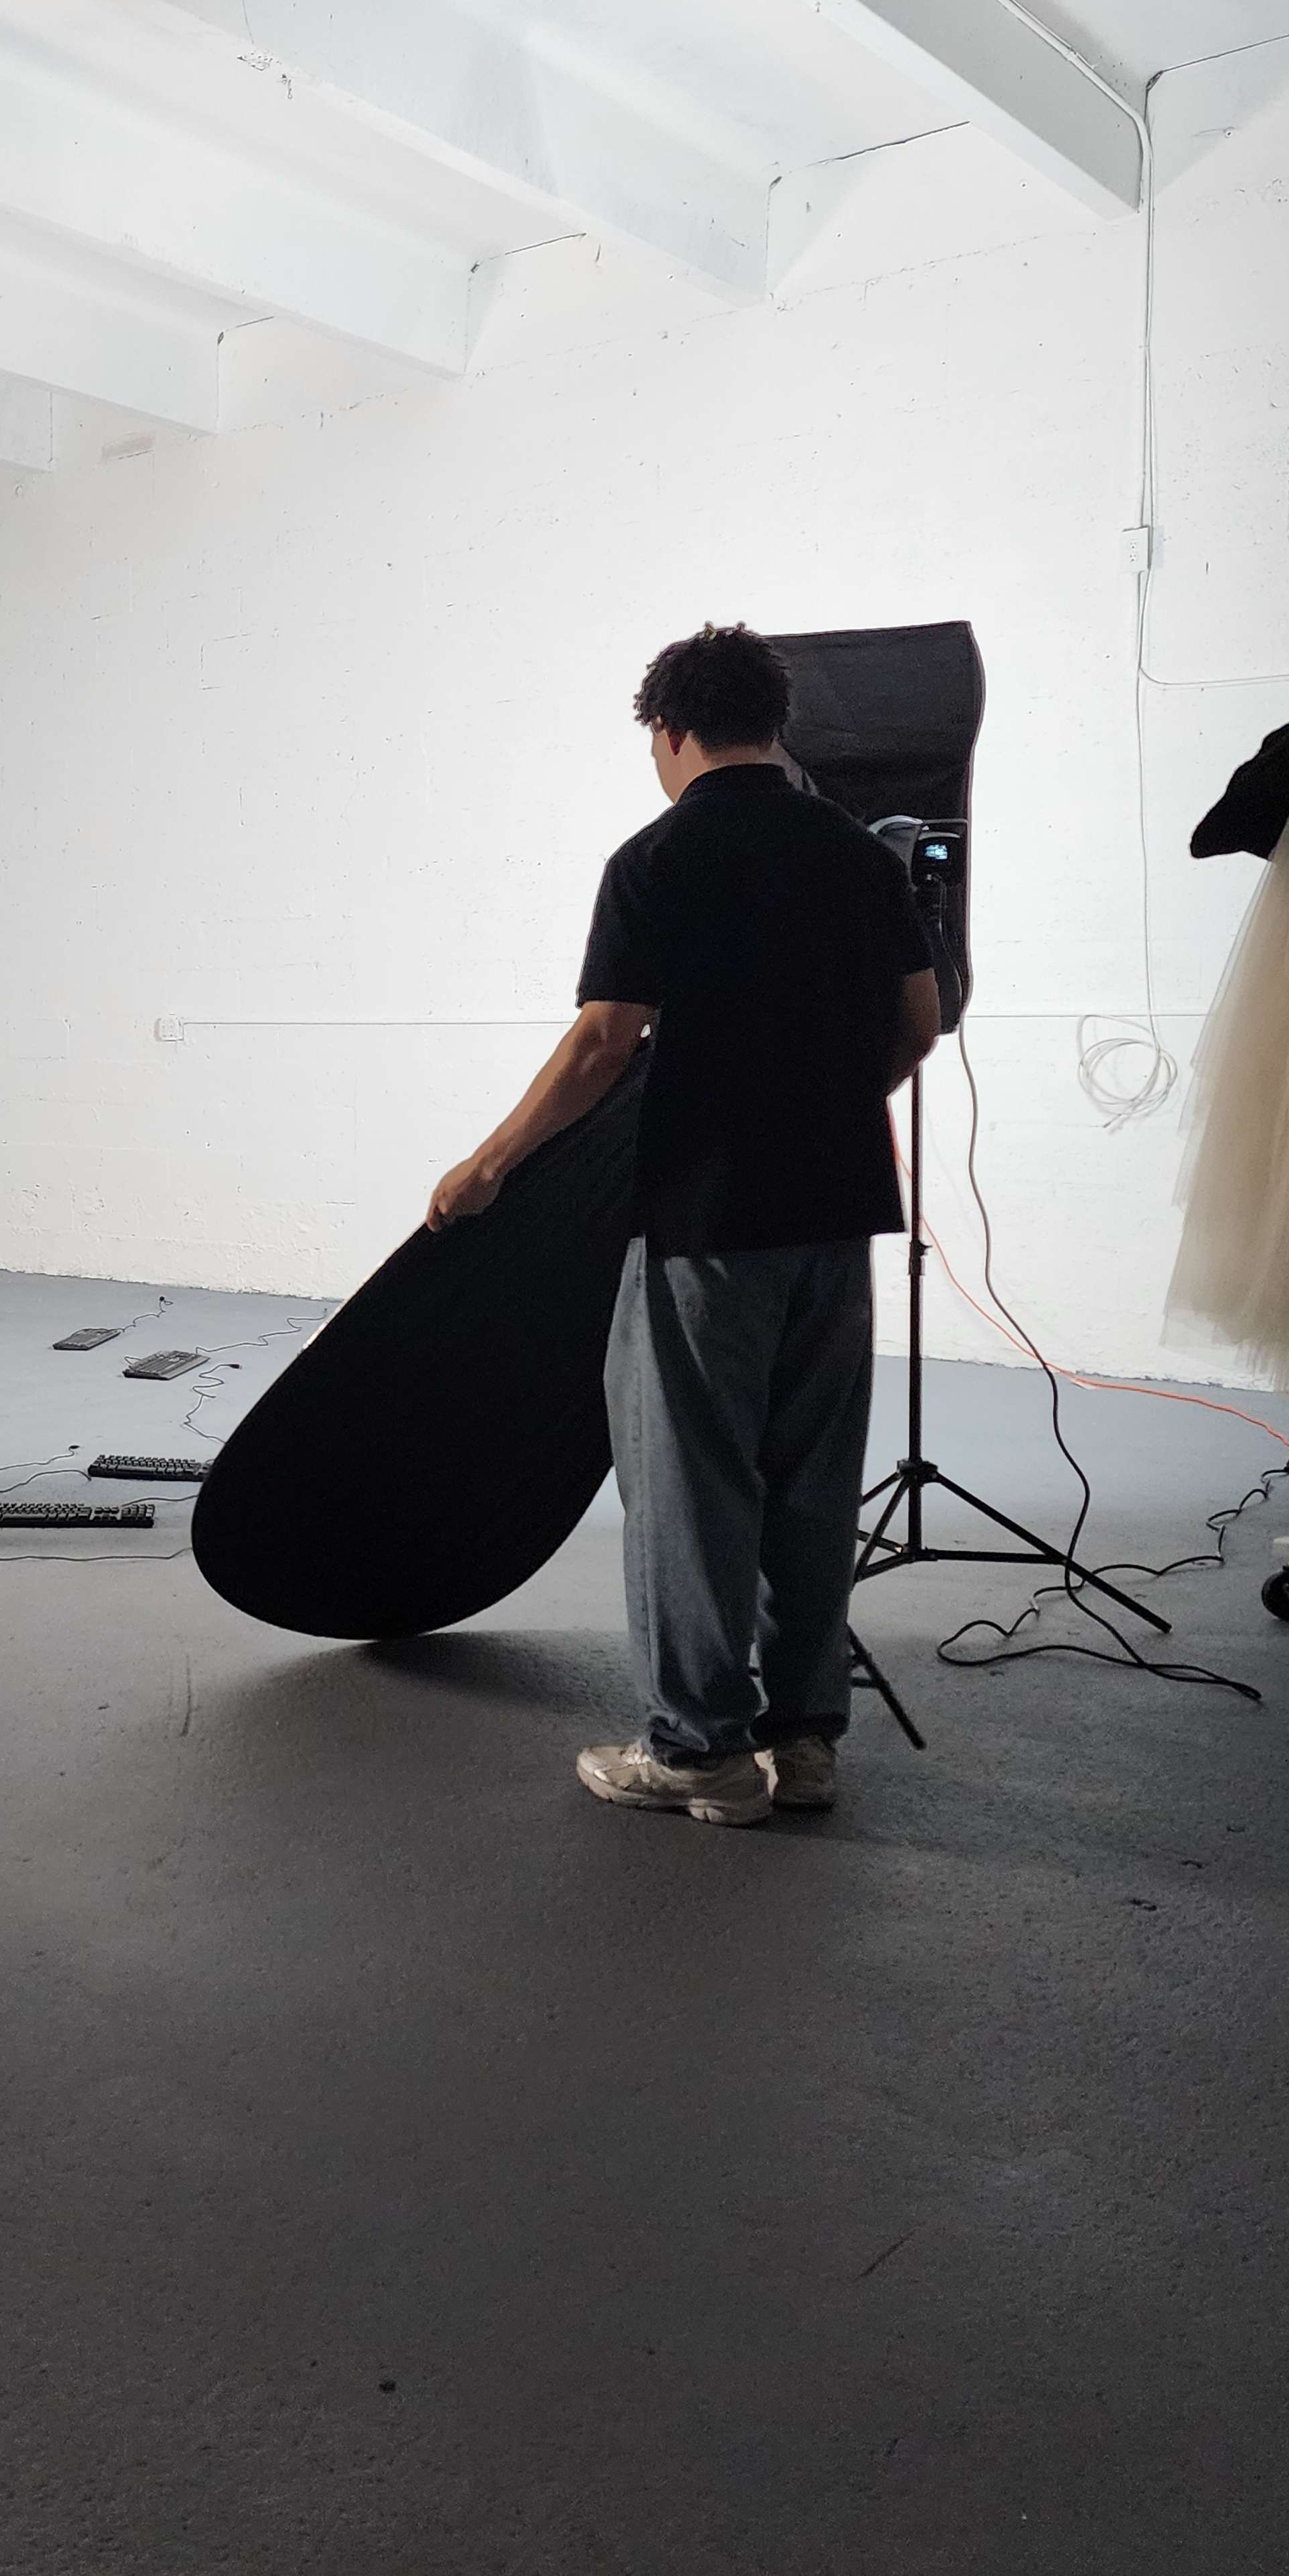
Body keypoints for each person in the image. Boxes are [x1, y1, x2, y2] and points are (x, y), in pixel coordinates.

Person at [426, 625, 939, 1825]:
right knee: (813, 1485)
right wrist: (822, 1100)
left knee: (691, 1487)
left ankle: (697, 1749)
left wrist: (491, 1163)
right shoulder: (858, 858)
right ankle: (805, 1743)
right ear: (777, 723)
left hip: (710, 1222)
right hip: (839, 1211)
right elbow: (919, 1024)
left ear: (669, 730)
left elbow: (607, 1039)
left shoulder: (659, 855)